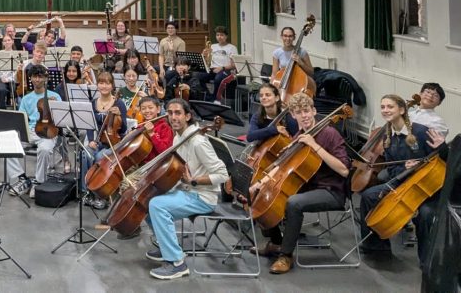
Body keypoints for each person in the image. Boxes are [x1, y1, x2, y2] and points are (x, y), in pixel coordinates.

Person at [250, 93, 350, 274]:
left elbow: (344, 169)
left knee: (293, 203)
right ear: (293, 116)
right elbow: (282, 165)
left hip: (331, 190)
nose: (303, 115)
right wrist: (261, 182)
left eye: (306, 111)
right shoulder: (300, 135)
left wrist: (315, 146)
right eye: (298, 112)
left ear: (314, 111)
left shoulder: (329, 134)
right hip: (308, 186)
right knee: (261, 195)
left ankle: (286, 255)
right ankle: (276, 243)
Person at [144, 99, 229, 280]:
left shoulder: (198, 142)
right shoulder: (178, 137)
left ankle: (177, 263)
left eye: (178, 113)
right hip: (186, 191)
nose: (173, 117)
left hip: (202, 197)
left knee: (158, 205)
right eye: (170, 112)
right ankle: (166, 246)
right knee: (146, 199)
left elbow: (223, 174)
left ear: (188, 116)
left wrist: (195, 180)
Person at [358, 94, 445, 263]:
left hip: (428, 187)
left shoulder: (421, 131)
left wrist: (442, 147)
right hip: (404, 184)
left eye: (390, 106)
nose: (385, 110)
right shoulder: (388, 138)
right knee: (369, 196)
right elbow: (391, 169)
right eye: (383, 107)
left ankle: (427, 262)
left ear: (402, 110)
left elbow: (443, 159)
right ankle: (376, 248)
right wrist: (403, 168)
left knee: (425, 215)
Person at [6, 64, 62, 195]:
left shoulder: (55, 96)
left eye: (40, 77)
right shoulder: (26, 99)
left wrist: (54, 106)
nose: (37, 80)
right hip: (30, 131)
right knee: (7, 146)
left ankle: (39, 181)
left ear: (45, 79)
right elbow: (21, 119)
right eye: (34, 77)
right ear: (30, 78)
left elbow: (60, 120)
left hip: (47, 132)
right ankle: (22, 178)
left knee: (45, 149)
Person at [83, 72, 127, 210]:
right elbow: (90, 125)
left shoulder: (119, 103)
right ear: (97, 85)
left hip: (114, 143)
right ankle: (86, 191)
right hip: (98, 140)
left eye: (107, 83)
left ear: (112, 85)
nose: (104, 86)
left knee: (99, 157)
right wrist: (91, 141)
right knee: (85, 154)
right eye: (101, 83)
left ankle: (100, 194)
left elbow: (123, 128)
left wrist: (119, 114)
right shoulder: (93, 102)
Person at [206, 26, 238, 103]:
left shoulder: (232, 48)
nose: (219, 37)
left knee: (218, 79)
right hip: (213, 69)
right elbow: (207, 60)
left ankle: (216, 99)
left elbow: (234, 65)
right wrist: (204, 55)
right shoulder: (212, 46)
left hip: (226, 70)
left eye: (222, 35)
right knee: (197, 75)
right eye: (217, 35)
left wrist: (222, 68)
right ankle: (208, 96)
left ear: (226, 36)